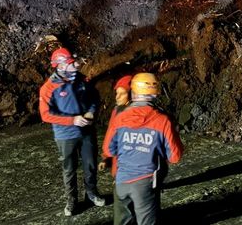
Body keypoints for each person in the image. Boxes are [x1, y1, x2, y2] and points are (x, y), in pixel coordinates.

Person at [103, 72, 184, 225]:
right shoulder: (162, 121)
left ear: (133, 92)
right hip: (144, 184)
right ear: (155, 94)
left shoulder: (120, 117)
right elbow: (175, 156)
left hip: (121, 182)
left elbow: (108, 150)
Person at [39, 47, 106, 217]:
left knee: (90, 165)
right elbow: (45, 115)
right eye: (71, 63)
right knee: (69, 169)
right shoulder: (48, 88)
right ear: (60, 66)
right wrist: (72, 120)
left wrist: (91, 111)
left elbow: (94, 98)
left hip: (86, 132)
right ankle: (72, 200)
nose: (76, 65)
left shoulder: (82, 80)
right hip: (65, 135)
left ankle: (91, 194)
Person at [99, 74, 133, 222]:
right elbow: (110, 136)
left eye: (122, 93)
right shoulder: (116, 111)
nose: (117, 97)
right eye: (116, 93)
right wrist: (105, 158)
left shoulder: (134, 115)